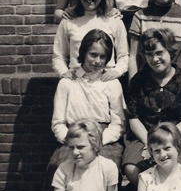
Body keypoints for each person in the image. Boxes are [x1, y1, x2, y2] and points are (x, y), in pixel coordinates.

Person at [123, 28, 181, 191]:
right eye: (149, 54)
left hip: (177, 135)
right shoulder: (138, 80)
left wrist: (165, 141)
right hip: (145, 135)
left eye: (159, 53)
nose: (155, 59)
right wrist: (149, 143)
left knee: (180, 169)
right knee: (131, 168)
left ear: (170, 52)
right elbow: (133, 117)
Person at [49, 30, 125, 173]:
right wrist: (74, 140)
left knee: (103, 169)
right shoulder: (67, 82)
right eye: (93, 55)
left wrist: (98, 140)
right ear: (84, 53)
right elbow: (58, 123)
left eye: (103, 56)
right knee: (60, 168)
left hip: (103, 140)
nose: (98, 61)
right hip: (73, 138)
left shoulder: (111, 83)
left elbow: (119, 123)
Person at [52, 0, 128, 81]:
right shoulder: (69, 20)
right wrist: (63, 72)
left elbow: (124, 55)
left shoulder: (113, 19)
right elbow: (59, 56)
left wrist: (117, 71)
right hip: (77, 80)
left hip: (105, 81)